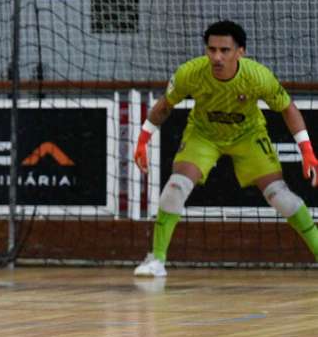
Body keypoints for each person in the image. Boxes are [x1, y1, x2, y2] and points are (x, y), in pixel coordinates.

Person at [134, 20, 318, 277]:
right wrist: (143, 140)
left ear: (240, 51)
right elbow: (164, 106)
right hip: (203, 135)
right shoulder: (190, 73)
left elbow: (288, 108)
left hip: (248, 135)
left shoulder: (257, 76)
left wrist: (307, 150)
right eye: (211, 50)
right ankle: (157, 260)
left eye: (225, 50)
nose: (217, 57)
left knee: (281, 198)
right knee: (175, 187)